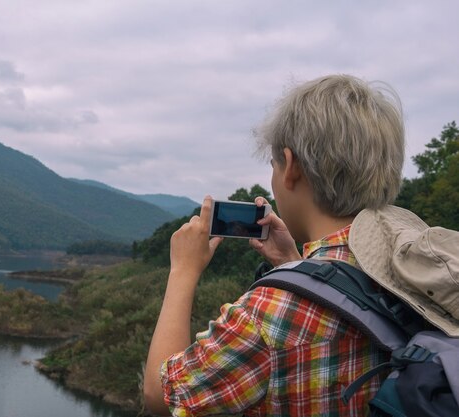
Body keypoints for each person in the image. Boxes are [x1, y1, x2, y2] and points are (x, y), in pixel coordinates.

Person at [143, 74, 405, 416]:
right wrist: (295, 265)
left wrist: (183, 270)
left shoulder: (269, 316)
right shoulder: (415, 262)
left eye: (273, 165)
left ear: (290, 166)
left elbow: (162, 397)